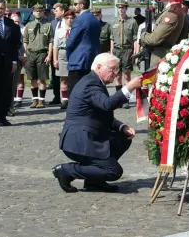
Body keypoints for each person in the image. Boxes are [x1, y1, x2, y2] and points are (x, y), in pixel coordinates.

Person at [52, 53, 143, 193]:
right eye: (113, 69)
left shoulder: (95, 81)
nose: (115, 73)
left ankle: (94, 181)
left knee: (122, 138)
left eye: (117, 70)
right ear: (99, 67)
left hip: (89, 135)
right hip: (79, 141)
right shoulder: (90, 83)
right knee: (113, 171)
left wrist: (122, 127)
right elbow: (106, 105)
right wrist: (129, 87)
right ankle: (66, 171)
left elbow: (102, 114)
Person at [67, 0, 101, 97]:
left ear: (82, 5)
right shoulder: (95, 19)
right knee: (88, 89)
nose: (73, 6)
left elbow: (70, 42)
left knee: (74, 91)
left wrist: (69, 56)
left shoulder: (79, 20)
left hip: (78, 60)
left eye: (75, 4)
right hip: (92, 58)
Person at [23, 4, 54, 109]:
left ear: (43, 12)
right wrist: (26, 52)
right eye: (36, 11)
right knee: (32, 79)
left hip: (42, 53)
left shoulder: (48, 25)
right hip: (31, 54)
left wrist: (49, 55)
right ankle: (34, 99)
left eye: (40, 11)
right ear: (33, 12)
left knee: (42, 78)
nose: (38, 13)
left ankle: (41, 101)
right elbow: (25, 40)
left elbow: (51, 41)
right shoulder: (29, 25)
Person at [110, 1, 138, 109]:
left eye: (123, 8)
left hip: (127, 50)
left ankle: (126, 99)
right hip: (117, 50)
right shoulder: (113, 21)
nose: (121, 9)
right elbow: (111, 38)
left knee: (127, 75)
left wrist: (135, 52)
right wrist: (111, 51)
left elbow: (135, 38)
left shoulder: (132, 22)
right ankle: (119, 99)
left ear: (126, 9)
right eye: (119, 8)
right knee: (117, 75)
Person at [140, 1, 184, 66]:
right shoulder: (171, 11)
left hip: (160, 56)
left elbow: (154, 39)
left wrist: (143, 34)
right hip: (161, 54)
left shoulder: (171, 14)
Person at [53, 10, 75, 109]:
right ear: (64, 19)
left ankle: (72, 99)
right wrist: (55, 59)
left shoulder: (76, 30)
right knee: (63, 79)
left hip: (73, 54)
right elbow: (55, 47)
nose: (69, 20)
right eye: (67, 18)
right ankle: (65, 100)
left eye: (71, 18)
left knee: (73, 78)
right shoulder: (59, 31)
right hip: (62, 54)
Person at [48, 2, 67, 105]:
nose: (54, 12)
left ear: (62, 11)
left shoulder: (68, 21)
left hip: (65, 52)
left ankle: (66, 98)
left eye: (56, 10)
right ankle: (56, 97)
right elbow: (51, 39)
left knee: (66, 77)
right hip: (55, 52)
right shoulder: (53, 23)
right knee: (55, 76)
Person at [9, 13, 26, 114]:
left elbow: (22, 47)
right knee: (8, 86)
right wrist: (18, 57)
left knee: (14, 85)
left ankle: (10, 107)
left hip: (19, 62)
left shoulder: (19, 32)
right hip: (10, 61)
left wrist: (23, 56)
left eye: (18, 22)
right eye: (14, 22)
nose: (16, 24)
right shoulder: (7, 32)